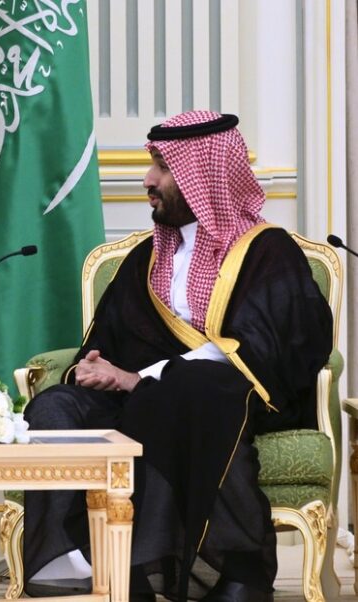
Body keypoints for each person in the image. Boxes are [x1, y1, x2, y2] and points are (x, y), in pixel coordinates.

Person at [22, 111, 332, 602]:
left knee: (189, 388)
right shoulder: (145, 258)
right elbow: (108, 340)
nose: (148, 180)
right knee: (55, 405)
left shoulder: (267, 251)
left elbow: (268, 345)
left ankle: (237, 569)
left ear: (203, 175)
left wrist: (140, 378)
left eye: (163, 167)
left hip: (238, 396)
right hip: (146, 398)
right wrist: (91, 369)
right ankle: (83, 561)